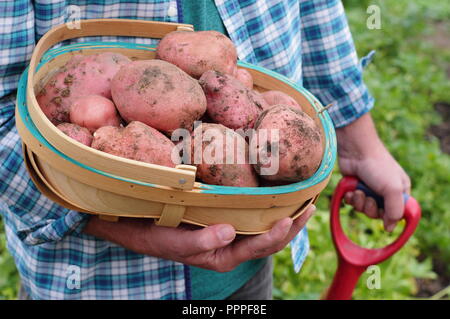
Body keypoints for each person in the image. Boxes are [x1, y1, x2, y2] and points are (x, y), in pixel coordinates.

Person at [0, 0, 410, 300]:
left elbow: (314, 7)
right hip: (98, 280)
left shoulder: (236, 110)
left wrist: (361, 144)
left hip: (248, 244)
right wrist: (110, 220)